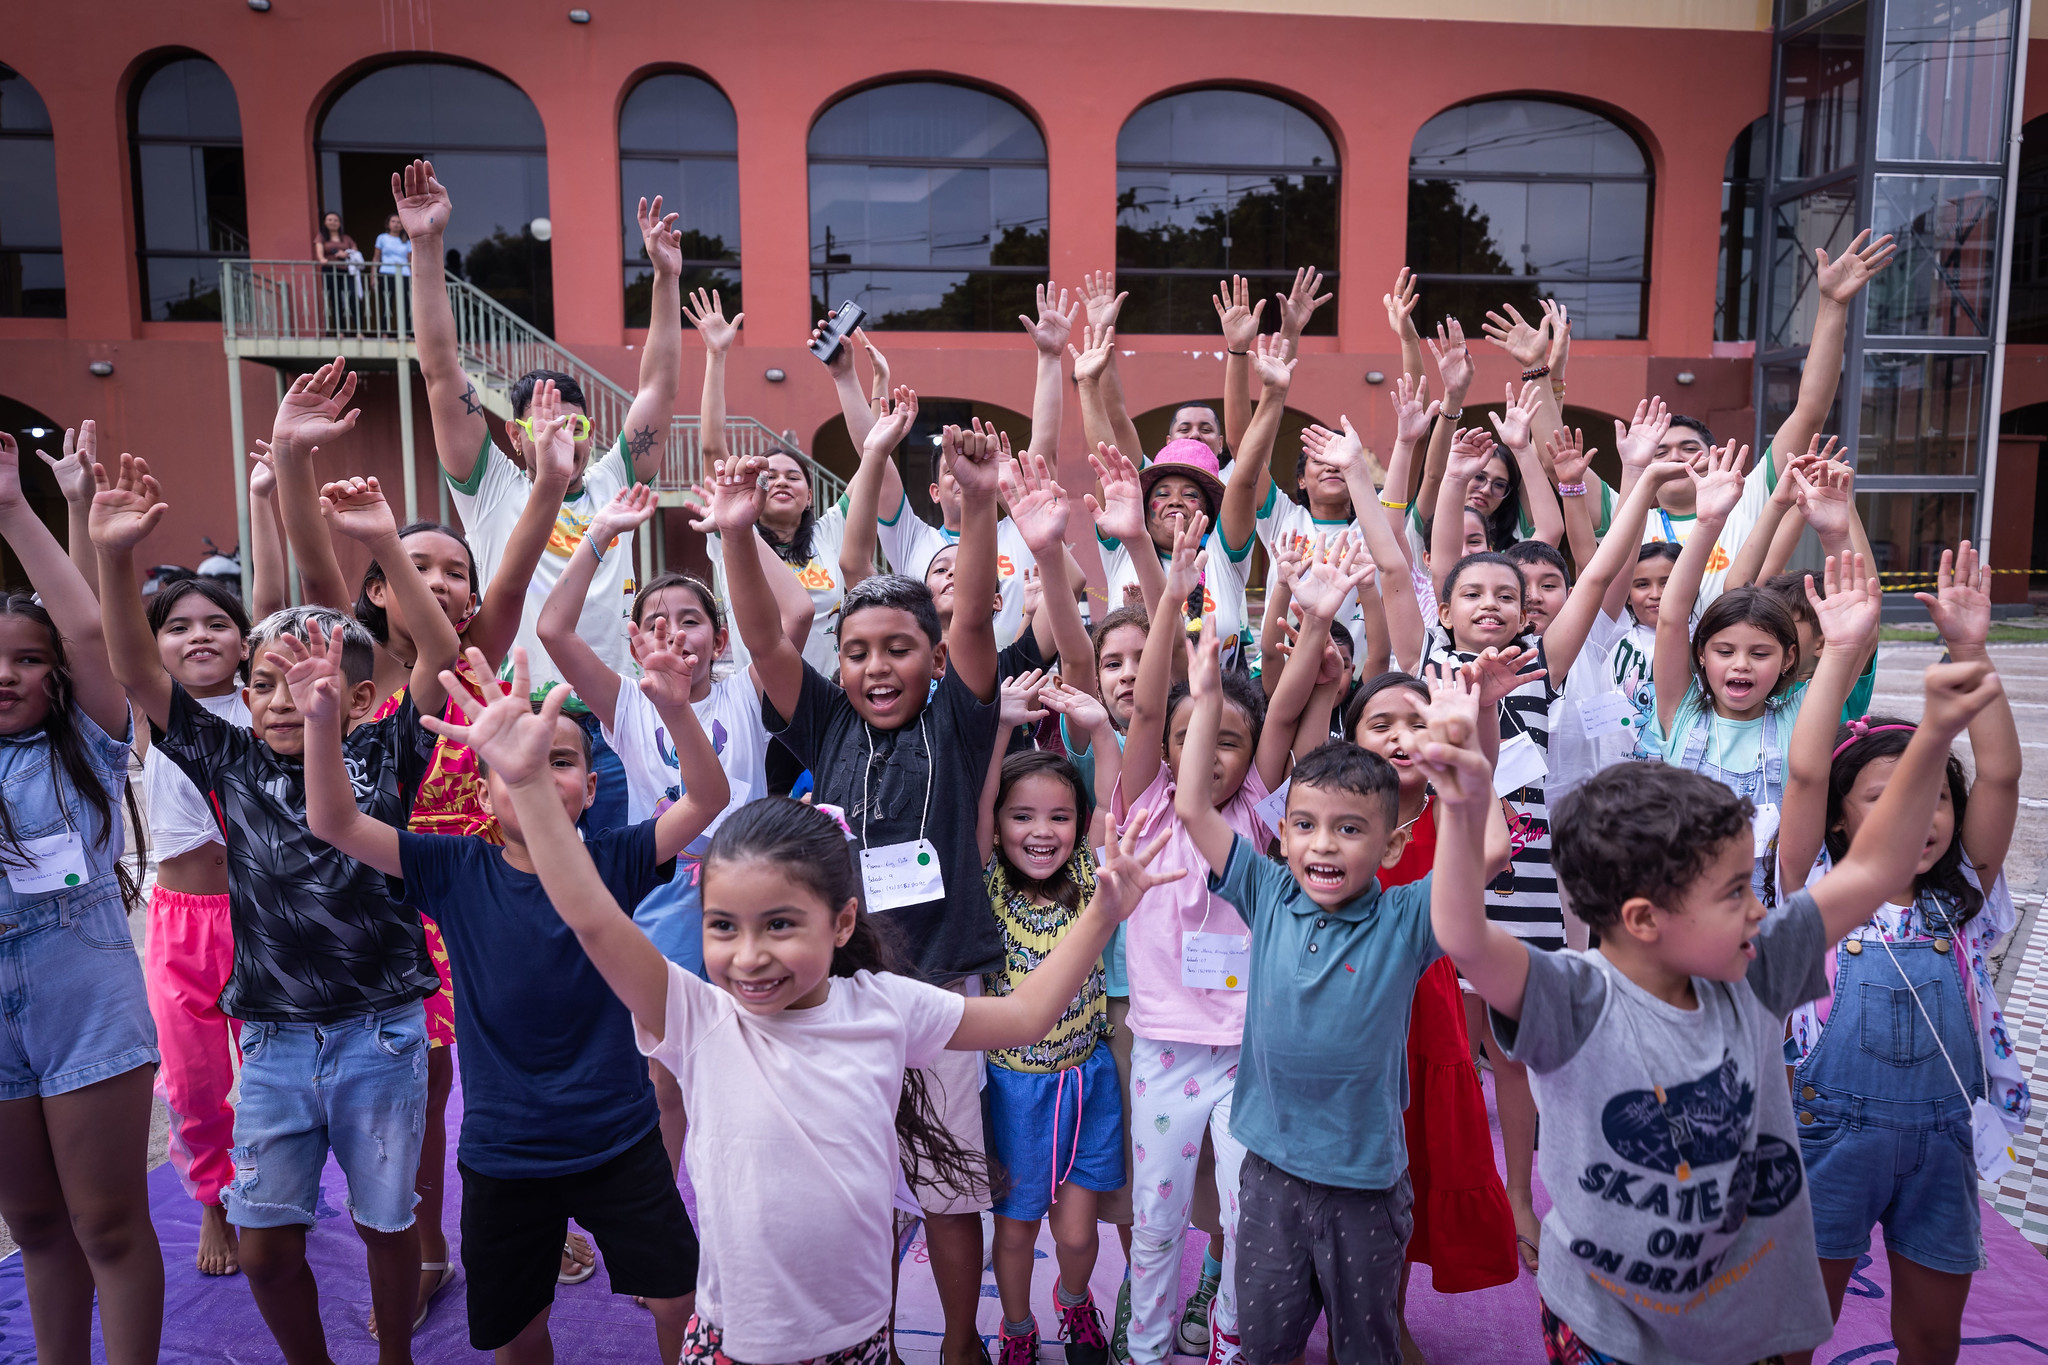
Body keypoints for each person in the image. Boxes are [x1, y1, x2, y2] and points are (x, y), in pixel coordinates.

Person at [424, 651, 1180, 1365]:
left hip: (857, 1342)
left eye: (780, 923)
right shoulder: (696, 1015)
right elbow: (589, 913)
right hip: (733, 1342)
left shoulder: (883, 1004)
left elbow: (1022, 1018)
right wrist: (528, 787)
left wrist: (1101, 915)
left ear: (842, 922)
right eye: (723, 926)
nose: (749, 954)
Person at [1424, 649, 2005, 1364]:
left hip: (1745, 1328)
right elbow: (1461, 933)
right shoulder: (1570, 999)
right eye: (1735, 893)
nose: (1761, 907)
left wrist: (1937, 734)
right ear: (1642, 919)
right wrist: (1459, 802)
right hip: (1608, 1333)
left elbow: (1875, 868)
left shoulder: (1757, 971)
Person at [93, 421, 460, 1363]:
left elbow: (436, 646)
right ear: (244, 699)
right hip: (274, 1040)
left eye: (312, 682)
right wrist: (113, 553)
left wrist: (382, 544)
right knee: (265, 1249)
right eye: (267, 684)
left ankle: (392, 1355)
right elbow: (136, 669)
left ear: (363, 694)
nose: (288, 699)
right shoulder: (229, 757)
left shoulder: (387, 748)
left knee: (388, 1225)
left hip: (383, 1025)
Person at [304, 624, 726, 1364]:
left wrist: (677, 709)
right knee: (515, 1326)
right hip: (505, 1151)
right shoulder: (452, 867)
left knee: (679, 1299)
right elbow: (334, 820)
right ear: (487, 784)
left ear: (592, 789)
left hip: (619, 1138)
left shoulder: (616, 856)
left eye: (561, 760)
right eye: (515, 764)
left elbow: (708, 797)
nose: (536, 772)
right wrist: (319, 723)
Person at [708, 418, 1007, 1365]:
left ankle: (961, 1342)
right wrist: (733, 533)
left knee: (951, 1186)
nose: (879, 667)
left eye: (900, 649)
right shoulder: (826, 720)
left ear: (932, 658)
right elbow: (761, 638)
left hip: (942, 987)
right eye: (861, 651)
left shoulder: (960, 718)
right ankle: (861, 1339)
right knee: (855, 1188)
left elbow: (975, 618)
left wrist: (983, 501)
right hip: (832, 995)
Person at [1114, 526, 1368, 1364]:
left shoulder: (1260, 809)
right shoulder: (1148, 802)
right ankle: (1146, 1346)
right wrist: (1171, 603)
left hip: (1251, 1053)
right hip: (1163, 1049)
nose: (1208, 751)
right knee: (1153, 1220)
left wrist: (1319, 616)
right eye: (1193, 737)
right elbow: (1150, 708)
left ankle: (1231, 1340)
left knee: (1242, 1214)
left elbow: (1288, 706)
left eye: (1226, 738)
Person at [1777, 545, 2025, 1364]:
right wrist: (1841, 650)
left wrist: (1971, 651)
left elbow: (2000, 775)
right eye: (1887, 801)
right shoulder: (1817, 893)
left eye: (1935, 800)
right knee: (1792, 1330)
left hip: (1945, 1139)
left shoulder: (1964, 901)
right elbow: (1807, 769)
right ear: (1844, 821)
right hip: (1828, 1134)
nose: (1923, 818)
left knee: (1931, 1337)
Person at [1171, 625, 1444, 1365]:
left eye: (1349, 829)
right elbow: (1194, 807)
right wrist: (1202, 698)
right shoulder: (1266, 888)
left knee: (1364, 1346)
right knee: (1264, 1342)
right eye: (1305, 826)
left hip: (1364, 1182)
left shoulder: (1406, 917)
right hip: (1269, 1176)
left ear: (1390, 847)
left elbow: (1477, 859)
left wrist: (1468, 749)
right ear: (1281, 836)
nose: (1323, 844)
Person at [394, 158, 685, 831]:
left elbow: (659, 387)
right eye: (549, 425)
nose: (568, 438)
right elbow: (441, 370)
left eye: (579, 425)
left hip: (616, 729)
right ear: (514, 435)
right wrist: (427, 245)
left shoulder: (617, 481)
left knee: (620, 896)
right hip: (522, 729)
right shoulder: (492, 486)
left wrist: (665, 280)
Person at [540, 478, 813, 1174]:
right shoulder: (626, 705)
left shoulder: (746, 691)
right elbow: (553, 630)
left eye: (689, 618)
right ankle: (670, 1218)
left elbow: (799, 609)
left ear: (720, 635)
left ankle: (761, 1189)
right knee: (664, 1075)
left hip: (752, 887)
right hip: (665, 894)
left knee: (761, 1052)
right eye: (655, 620)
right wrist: (598, 534)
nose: (672, 631)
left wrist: (737, 532)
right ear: (634, 642)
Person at [0, 431, 164, 1365]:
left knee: (106, 1223)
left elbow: (92, 630)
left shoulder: (93, 743)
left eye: (26, 659)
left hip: (85, 1000)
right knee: (33, 1222)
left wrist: (17, 509)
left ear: (56, 676)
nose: (6, 674)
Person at [1344, 670, 1520, 1348]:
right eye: (1379, 723)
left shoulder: (1447, 808)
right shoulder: (1339, 808)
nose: (1399, 737)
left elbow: (1494, 848)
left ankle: (1383, 1317)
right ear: (1351, 737)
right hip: (1348, 1013)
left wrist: (1471, 731)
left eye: (1416, 722)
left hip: (1427, 1015)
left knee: (1411, 1169)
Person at [975, 746, 1121, 1364]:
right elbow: (980, 806)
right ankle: (1016, 1327)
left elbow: (1112, 801)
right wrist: (1002, 725)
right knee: (1014, 1232)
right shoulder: (986, 882)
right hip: (1015, 1093)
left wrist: (1097, 728)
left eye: (1060, 817)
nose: (1041, 831)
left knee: (1078, 1231)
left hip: (1088, 1084)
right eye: (1022, 816)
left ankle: (1074, 1299)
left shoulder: (1090, 875)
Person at [132, 575, 251, 1278]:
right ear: (152, 649)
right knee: (192, 1078)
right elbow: (107, 632)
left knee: (275, 1068)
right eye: (177, 626)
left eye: (217, 622)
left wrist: (268, 493)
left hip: (262, 911)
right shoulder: (152, 710)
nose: (199, 634)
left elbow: (270, 585)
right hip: (181, 924)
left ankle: (275, 1183)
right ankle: (214, 1198)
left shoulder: (265, 702)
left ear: (245, 641)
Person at [315, 209, 359, 333]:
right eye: (330, 220)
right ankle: (340, 331)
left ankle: (358, 330)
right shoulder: (322, 237)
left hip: (346, 271)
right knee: (335, 300)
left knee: (352, 298)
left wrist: (345, 253)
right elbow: (319, 252)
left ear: (339, 223)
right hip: (330, 270)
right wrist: (322, 258)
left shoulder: (346, 238)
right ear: (324, 222)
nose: (333, 222)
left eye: (335, 220)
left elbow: (355, 251)